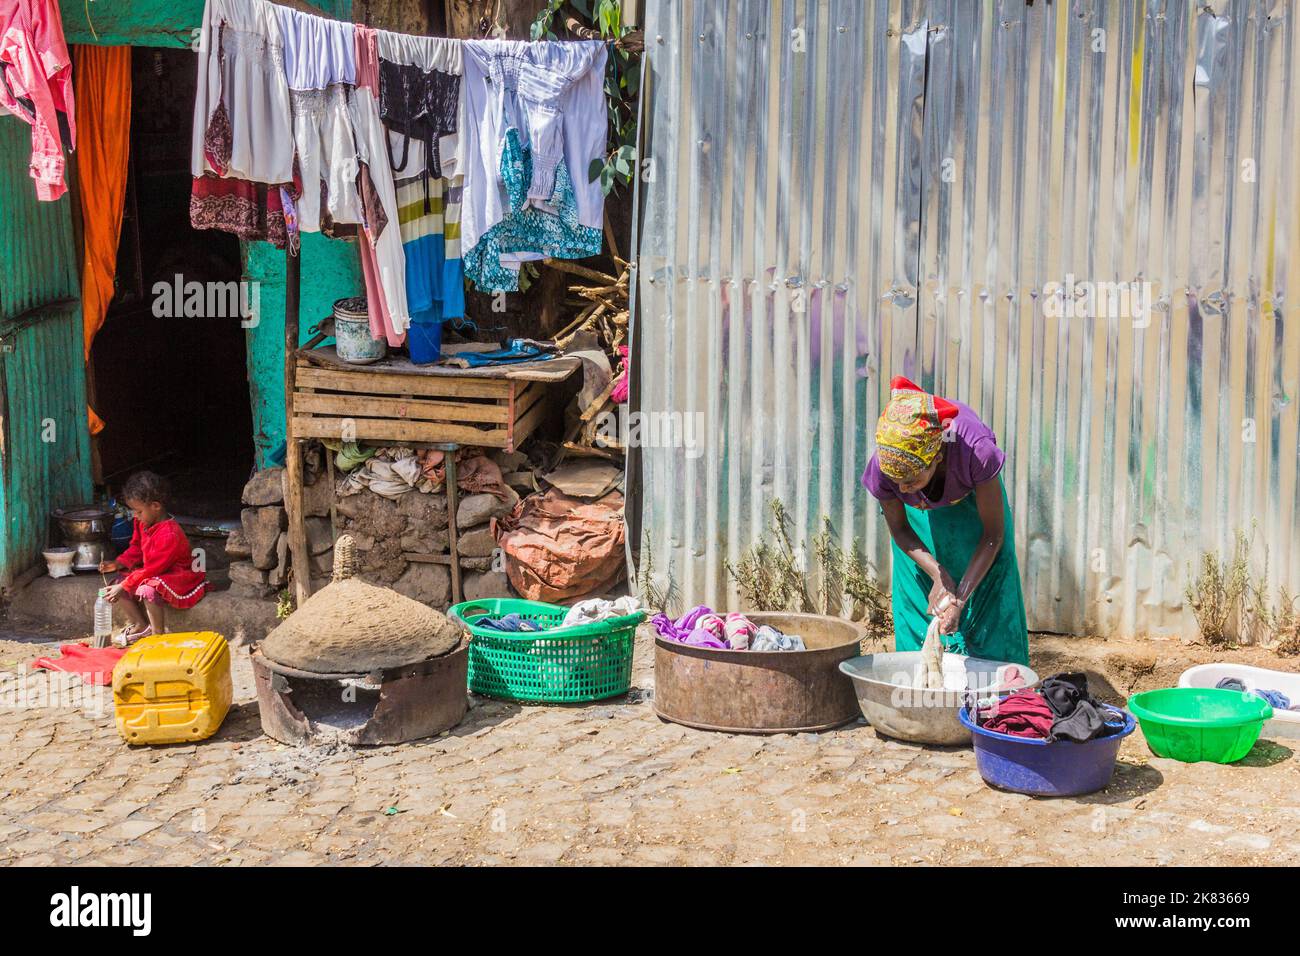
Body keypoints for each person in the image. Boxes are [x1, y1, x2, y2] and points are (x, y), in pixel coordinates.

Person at [861, 376, 1028, 665]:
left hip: (977, 525)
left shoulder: (975, 450)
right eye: (895, 482)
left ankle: (997, 702)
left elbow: (993, 535)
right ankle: (923, 704)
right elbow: (900, 530)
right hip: (918, 536)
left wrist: (960, 597)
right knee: (920, 635)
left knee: (991, 625)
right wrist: (937, 574)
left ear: (936, 456)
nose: (901, 489)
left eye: (911, 480)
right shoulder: (886, 466)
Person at [97, 471, 208, 645]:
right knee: (116, 583)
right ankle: (140, 625)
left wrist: (126, 584)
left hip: (175, 574)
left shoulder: (169, 534)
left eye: (138, 511)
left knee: (147, 590)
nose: (135, 516)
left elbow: (153, 569)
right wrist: (118, 563)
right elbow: (136, 548)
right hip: (154, 571)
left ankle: (157, 636)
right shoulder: (142, 521)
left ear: (155, 506)